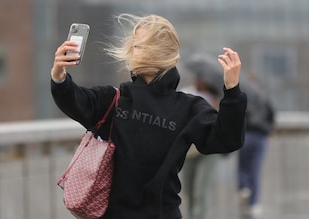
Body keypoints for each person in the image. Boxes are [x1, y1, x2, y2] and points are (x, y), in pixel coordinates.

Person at [50, 14, 247, 219]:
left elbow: (226, 139)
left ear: (161, 52)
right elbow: (74, 100)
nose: (134, 50)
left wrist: (232, 90)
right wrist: (59, 75)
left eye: (140, 45)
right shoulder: (115, 99)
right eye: (135, 45)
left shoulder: (189, 107)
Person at [180, 53, 225, 219]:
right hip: (190, 149)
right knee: (189, 189)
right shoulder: (187, 94)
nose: (200, 80)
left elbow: (222, 127)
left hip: (210, 150)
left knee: (202, 189)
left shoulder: (217, 100)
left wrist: (218, 109)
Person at [237, 72, 276, 218]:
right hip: (261, 136)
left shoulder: (244, 97)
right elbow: (272, 114)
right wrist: (269, 129)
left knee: (243, 165)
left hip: (246, 134)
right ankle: (253, 203)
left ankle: (243, 186)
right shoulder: (264, 97)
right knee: (255, 169)